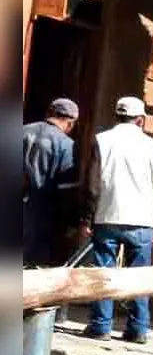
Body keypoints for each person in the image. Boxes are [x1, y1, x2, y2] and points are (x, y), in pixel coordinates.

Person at [81, 96, 153, 343]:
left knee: (104, 274)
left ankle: (100, 326)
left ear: (117, 115)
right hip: (141, 219)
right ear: (140, 119)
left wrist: (87, 216)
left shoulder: (103, 140)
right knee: (138, 277)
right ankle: (138, 328)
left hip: (107, 215)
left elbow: (93, 184)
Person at [23, 98, 79, 268]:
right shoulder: (66, 145)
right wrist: (70, 222)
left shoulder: (21, 131)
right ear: (71, 123)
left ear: (49, 113)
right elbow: (66, 188)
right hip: (41, 214)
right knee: (32, 268)